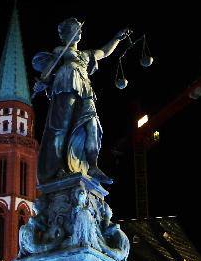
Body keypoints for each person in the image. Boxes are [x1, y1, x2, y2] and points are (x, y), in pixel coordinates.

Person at [32, 18, 132, 185]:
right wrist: (44, 80)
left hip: (85, 89)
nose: (78, 31)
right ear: (65, 36)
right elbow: (47, 71)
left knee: (92, 125)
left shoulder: (86, 55)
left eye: (78, 29)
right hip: (66, 84)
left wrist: (116, 38)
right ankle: (57, 169)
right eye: (73, 29)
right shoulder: (60, 51)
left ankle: (92, 166)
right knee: (61, 128)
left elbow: (104, 52)